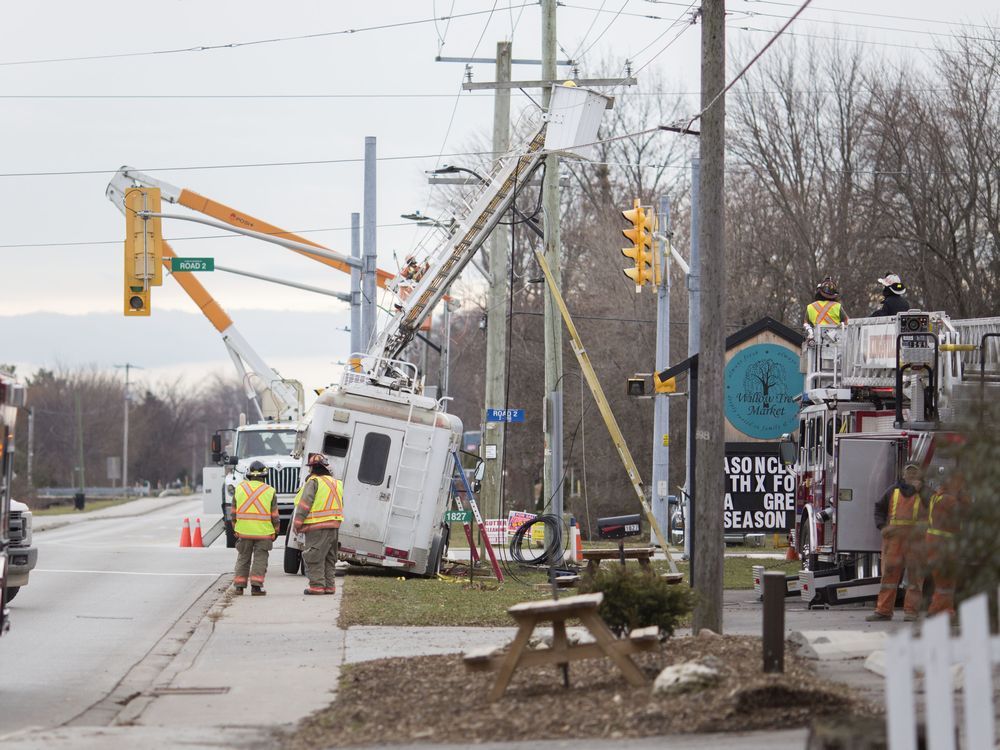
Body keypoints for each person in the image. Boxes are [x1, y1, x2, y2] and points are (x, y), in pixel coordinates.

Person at [867, 464, 926, 621]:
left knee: (915, 579)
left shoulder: (925, 494)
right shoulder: (893, 491)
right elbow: (879, 508)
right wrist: (882, 526)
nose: (912, 475)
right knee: (889, 577)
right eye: (909, 472)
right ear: (903, 474)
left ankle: (911, 612)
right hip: (894, 541)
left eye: (915, 472)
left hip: (915, 541)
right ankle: (883, 611)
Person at [293, 453, 344, 596]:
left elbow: (304, 504)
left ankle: (316, 586)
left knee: (314, 556)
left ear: (312, 469)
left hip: (317, 527)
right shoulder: (336, 483)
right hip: (334, 526)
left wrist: (297, 524)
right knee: (329, 557)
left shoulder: (313, 482)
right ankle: (329, 586)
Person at [924, 469, 969, 618]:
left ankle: (937, 610)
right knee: (946, 581)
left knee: (943, 581)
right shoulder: (949, 500)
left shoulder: (937, 496)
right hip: (944, 545)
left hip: (934, 543)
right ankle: (943, 612)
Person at [232, 460, 279, 596]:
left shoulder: (240, 488)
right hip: (264, 533)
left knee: (243, 558)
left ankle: (239, 587)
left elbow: (233, 512)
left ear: (249, 474)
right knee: (260, 559)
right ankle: (256, 587)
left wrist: (236, 528)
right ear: (265, 475)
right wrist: (275, 531)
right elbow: (275, 515)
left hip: (244, 531)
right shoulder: (270, 491)